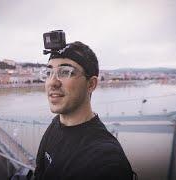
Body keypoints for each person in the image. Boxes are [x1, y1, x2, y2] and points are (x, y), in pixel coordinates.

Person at [34, 41, 133, 180]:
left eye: (65, 72)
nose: (52, 82)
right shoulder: (56, 124)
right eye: (49, 73)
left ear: (91, 84)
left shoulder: (107, 160)